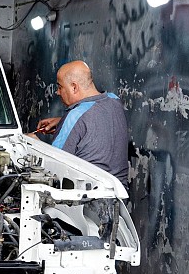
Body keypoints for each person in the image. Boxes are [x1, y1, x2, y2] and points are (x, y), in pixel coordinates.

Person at [34, 60, 129, 188]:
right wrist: (62, 120)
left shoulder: (74, 117)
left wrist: (34, 143)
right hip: (119, 196)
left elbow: (53, 166)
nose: (57, 92)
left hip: (86, 200)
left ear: (74, 87)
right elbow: (96, 116)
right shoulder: (114, 101)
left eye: (60, 87)